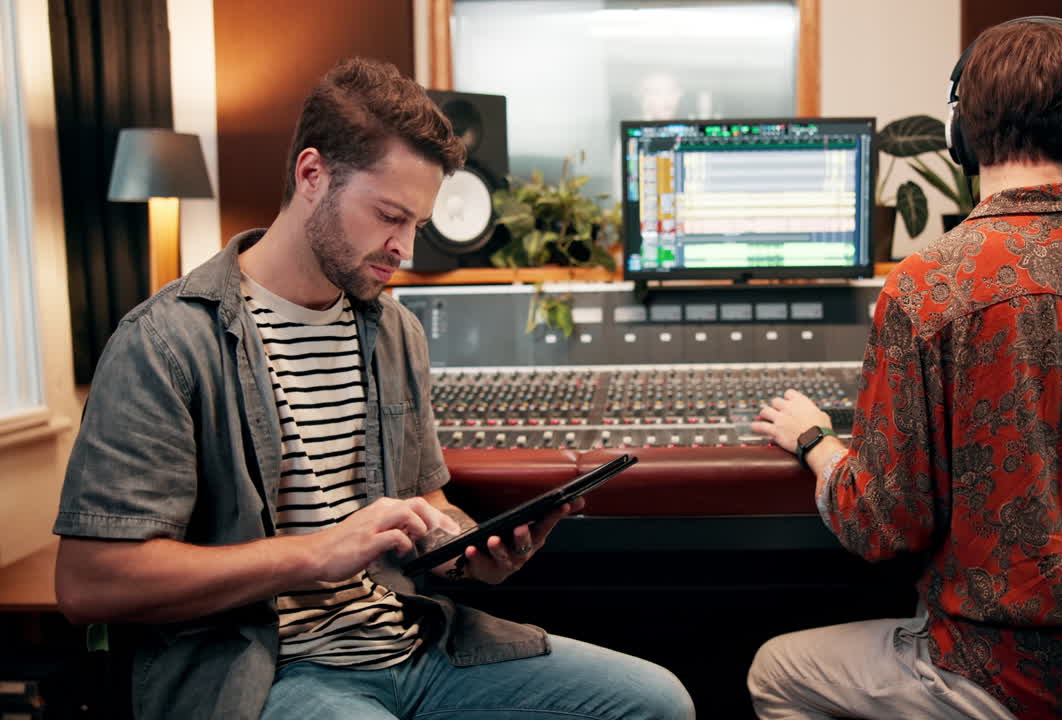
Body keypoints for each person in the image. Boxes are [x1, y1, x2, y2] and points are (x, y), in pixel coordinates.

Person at [53, 57, 694, 720]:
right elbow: (90, 583)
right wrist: (316, 554)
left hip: (411, 640)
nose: (404, 249)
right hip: (267, 670)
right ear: (312, 175)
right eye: (390, 216)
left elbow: (423, 501)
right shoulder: (164, 343)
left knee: (658, 703)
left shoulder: (394, 328)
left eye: (416, 223)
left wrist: (472, 553)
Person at [747, 17, 1062, 720]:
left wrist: (817, 441)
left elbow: (883, 526)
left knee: (772, 672)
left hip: (997, 678)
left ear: (961, 134)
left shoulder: (930, 285)